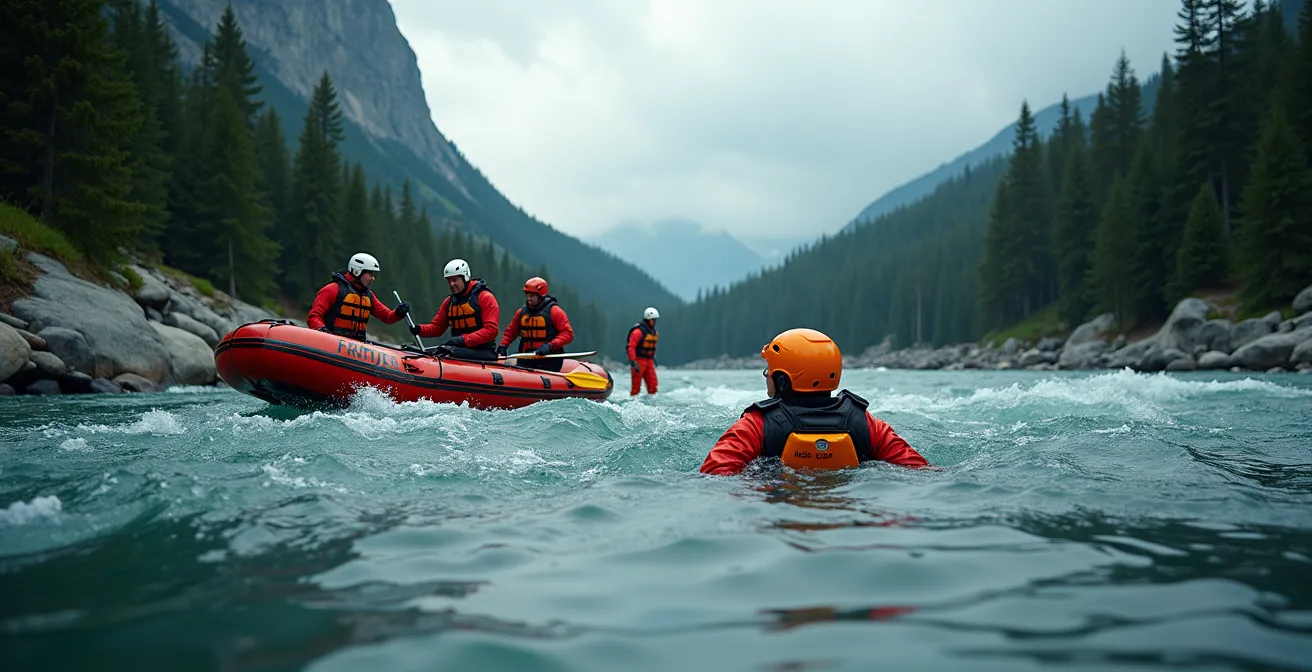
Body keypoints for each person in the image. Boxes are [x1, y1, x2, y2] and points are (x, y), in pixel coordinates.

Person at [700, 328, 930, 475]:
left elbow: (715, 474)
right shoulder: (867, 424)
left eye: (770, 370)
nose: (766, 375)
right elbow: (918, 471)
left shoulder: (756, 424)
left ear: (782, 381)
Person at [410, 258, 500, 360]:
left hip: (483, 351)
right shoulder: (449, 302)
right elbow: (437, 328)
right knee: (439, 351)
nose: (451, 284)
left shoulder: (485, 297)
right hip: (458, 349)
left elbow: (491, 331)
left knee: (449, 352)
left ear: (465, 277)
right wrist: (418, 329)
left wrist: (461, 340)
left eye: (454, 280)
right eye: (449, 281)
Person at [307, 252, 410, 341]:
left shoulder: (369, 296)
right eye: (370, 274)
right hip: (332, 342)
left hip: (356, 347)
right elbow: (314, 316)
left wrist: (398, 313)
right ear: (358, 271)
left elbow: (388, 317)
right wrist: (322, 331)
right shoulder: (332, 289)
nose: (373, 278)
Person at [496, 276, 574, 372]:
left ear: (540, 296)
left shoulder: (554, 311)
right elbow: (510, 332)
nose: (529, 298)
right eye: (527, 295)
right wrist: (503, 346)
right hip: (526, 359)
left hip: (549, 360)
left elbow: (567, 333)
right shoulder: (522, 313)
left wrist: (550, 346)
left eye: (532, 296)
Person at [627, 307, 659, 396]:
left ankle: (651, 402)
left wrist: (653, 358)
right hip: (638, 361)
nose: (655, 322)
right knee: (636, 387)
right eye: (653, 320)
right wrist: (633, 361)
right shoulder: (637, 332)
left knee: (653, 386)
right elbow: (631, 347)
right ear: (648, 319)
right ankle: (633, 402)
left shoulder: (654, 333)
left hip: (649, 361)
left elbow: (653, 347)